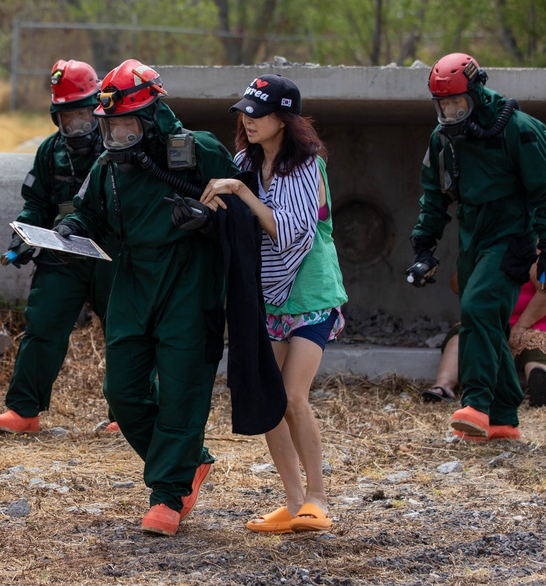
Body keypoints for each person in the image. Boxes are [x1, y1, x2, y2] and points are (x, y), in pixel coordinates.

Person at [55, 59, 237, 536]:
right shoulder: (107, 167)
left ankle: (168, 495)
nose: (115, 138)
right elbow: (87, 213)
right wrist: (69, 229)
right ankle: (189, 461)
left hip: (190, 279)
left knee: (181, 391)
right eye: (109, 129)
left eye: (124, 127)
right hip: (133, 277)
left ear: (153, 117)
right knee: (124, 392)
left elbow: (245, 213)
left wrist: (207, 220)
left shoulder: (201, 151)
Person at [199, 74, 347, 535]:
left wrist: (240, 192)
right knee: (268, 397)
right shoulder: (243, 160)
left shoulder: (307, 166)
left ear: (283, 119)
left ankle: (318, 499)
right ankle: (293, 501)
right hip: (265, 296)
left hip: (310, 292)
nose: (248, 120)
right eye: (245, 111)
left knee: (293, 396)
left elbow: (289, 232)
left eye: (258, 113)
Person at [407, 52, 546, 441]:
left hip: (512, 232)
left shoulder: (518, 128)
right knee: (488, 320)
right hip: (472, 230)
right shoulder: (442, 138)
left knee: (476, 306)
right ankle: (504, 417)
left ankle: (478, 404)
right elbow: (434, 196)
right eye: (442, 104)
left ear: (476, 92)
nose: (450, 111)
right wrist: (423, 247)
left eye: (457, 103)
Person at [0, 60, 120, 434]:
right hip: (62, 253)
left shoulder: (121, 146)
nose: (75, 127)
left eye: (82, 115)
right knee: (42, 324)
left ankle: (130, 415)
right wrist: (26, 232)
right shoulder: (50, 152)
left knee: (126, 332)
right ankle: (23, 411)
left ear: (98, 108)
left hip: (112, 257)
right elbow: (36, 202)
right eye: (66, 118)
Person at [422, 264, 546, 409]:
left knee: (537, 347)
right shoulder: (486, 251)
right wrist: (472, 263)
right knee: (461, 336)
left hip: (534, 322)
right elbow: (457, 286)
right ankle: (443, 386)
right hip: (489, 320)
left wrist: (521, 326)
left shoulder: (537, 255)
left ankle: (540, 393)